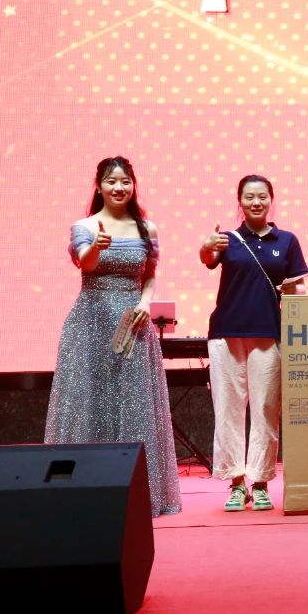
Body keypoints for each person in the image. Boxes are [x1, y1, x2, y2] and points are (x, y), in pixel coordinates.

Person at [45, 156, 183, 517]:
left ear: (133, 185)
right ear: (99, 186)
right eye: (111, 181)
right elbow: (85, 263)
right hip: (88, 324)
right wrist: (97, 246)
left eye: (125, 181)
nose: (119, 187)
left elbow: (150, 274)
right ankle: (81, 493)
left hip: (133, 326)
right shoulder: (85, 225)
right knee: (87, 402)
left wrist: (146, 302)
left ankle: (139, 495)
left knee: (133, 405)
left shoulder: (147, 229)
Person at [200, 175, 308, 512]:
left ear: (271, 201)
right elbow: (207, 259)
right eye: (249, 197)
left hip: (268, 333)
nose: (256, 202)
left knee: (265, 409)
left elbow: (299, 287)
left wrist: (292, 289)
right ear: (240, 202)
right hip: (226, 332)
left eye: (262, 196)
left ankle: (260, 483)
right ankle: (236, 484)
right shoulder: (227, 239)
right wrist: (207, 246)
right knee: (228, 410)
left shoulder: (287, 240)